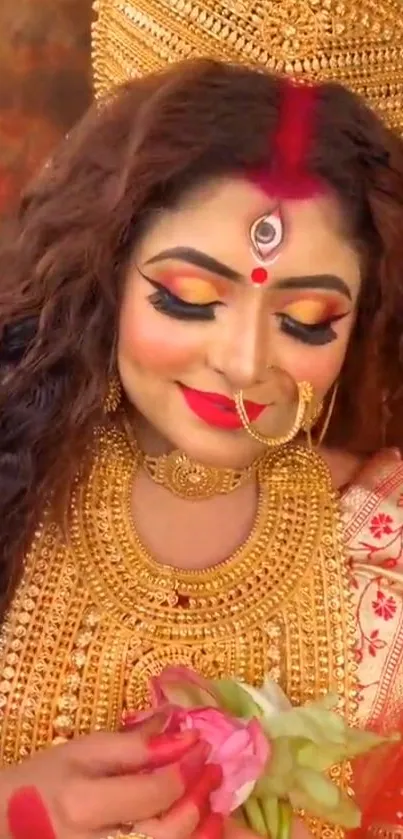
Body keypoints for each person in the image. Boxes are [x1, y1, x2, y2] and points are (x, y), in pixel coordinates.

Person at [0, 0, 403, 838]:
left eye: (306, 320)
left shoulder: (383, 546)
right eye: (188, 297)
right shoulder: (14, 471)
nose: (245, 360)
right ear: (107, 266)